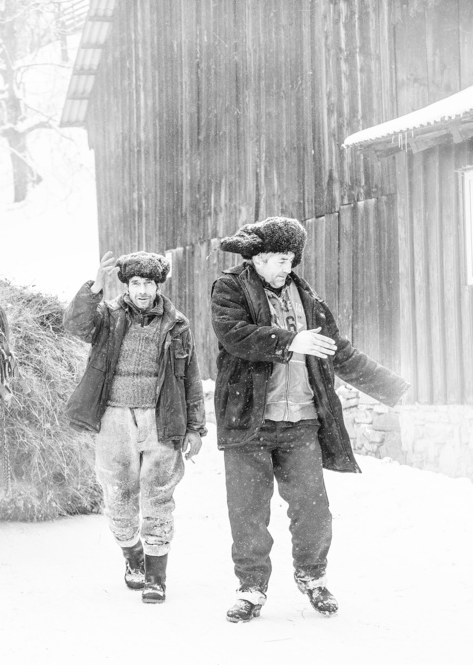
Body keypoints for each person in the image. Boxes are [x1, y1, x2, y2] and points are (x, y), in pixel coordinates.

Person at [211, 216, 409, 623]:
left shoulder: (310, 301)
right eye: (275, 259)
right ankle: (251, 588)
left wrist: (394, 389)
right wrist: (289, 340)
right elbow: (233, 334)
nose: (285, 266)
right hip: (249, 421)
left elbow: (339, 352)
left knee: (313, 509)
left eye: (288, 258)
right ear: (256, 258)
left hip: (301, 423)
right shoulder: (230, 288)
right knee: (248, 511)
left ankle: (313, 577)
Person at [64, 250, 208, 604]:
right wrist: (95, 286)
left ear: (160, 285)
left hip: (161, 417)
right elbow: (75, 325)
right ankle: (133, 556)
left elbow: (190, 376)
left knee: (159, 495)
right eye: (136, 283)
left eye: (150, 283)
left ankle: (156, 577)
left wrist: (195, 427)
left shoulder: (177, 323)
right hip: (114, 416)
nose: (143, 290)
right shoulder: (108, 316)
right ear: (126, 285)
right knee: (117, 494)